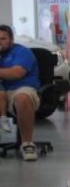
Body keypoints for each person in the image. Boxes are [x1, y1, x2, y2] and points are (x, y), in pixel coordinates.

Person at [0, 25, 41, 160]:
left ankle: (27, 144)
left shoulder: (22, 52)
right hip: (2, 90)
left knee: (22, 98)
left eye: (3, 38)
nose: (0, 41)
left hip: (21, 88)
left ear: (11, 40)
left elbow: (17, 73)